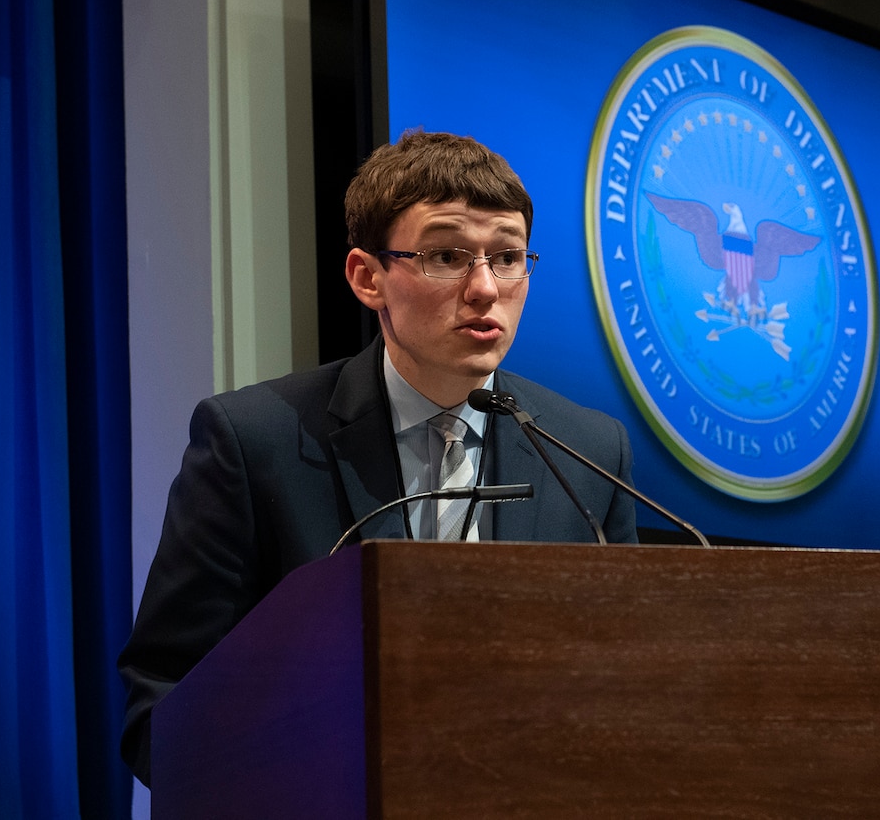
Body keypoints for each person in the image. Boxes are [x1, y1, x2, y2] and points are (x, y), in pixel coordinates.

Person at [118, 130, 638, 786]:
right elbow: (162, 707)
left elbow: (629, 686)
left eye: (508, 257)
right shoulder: (254, 441)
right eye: (447, 255)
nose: (484, 288)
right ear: (368, 277)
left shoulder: (590, 449)